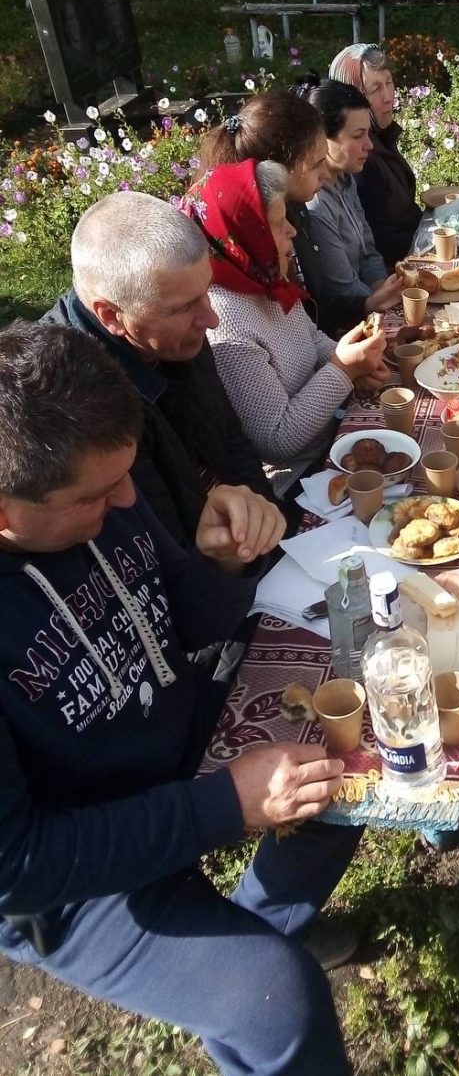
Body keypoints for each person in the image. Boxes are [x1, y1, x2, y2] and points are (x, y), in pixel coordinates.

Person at [0, 321, 360, 1076]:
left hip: (171, 728)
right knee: (279, 1003)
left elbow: (184, 619)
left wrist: (220, 562)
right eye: (98, 496)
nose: (129, 499)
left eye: (126, 476)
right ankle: (255, 954)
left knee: (347, 757)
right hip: (71, 866)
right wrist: (226, 804)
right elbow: (19, 864)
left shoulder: (101, 485)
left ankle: (257, 925)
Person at [43, 190, 278, 548]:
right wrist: (239, 552)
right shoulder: (72, 403)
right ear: (111, 315)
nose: (211, 319)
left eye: (206, 290)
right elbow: (155, 541)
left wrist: (269, 525)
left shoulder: (174, 334)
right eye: (183, 307)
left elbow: (229, 437)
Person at [183, 158, 388, 499]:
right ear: (248, 236)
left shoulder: (262, 281)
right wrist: (344, 369)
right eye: (279, 224)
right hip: (300, 481)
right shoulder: (225, 324)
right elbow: (278, 440)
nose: (292, 231)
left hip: (333, 437)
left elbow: (311, 339)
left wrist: (356, 361)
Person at [197, 92, 386, 337]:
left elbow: (311, 327)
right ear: (279, 169)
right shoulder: (263, 243)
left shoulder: (295, 213)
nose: (325, 174)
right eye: (316, 164)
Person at [306, 81, 403, 316]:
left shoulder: (345, 179)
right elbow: (343, 290)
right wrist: (378, 302)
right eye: (358, 136)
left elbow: (367, 251)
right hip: (349, 318)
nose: (369, 145)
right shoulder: (316, 205)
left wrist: (383, 288)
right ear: (322, 140)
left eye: (368, 134)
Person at [329, 43, 421, 269]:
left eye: (389, 82)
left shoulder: (381, 137)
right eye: (375, 89)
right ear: (351, 98)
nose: (388, 97)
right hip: (394, 272)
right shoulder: (357, 160)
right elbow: (374, 245)